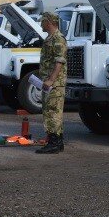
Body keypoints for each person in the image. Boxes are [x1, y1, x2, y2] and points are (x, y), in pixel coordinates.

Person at [36, 12, 67, 154]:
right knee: (50, 111)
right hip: (49, 82)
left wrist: (51, 80)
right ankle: (57, 141)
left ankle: (54, 143)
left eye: (42, 21)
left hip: (54, 83)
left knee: (53, 112)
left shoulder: (58, 39)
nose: (41, 24)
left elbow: (59, 61)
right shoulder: (50, 38)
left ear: (49, 22)